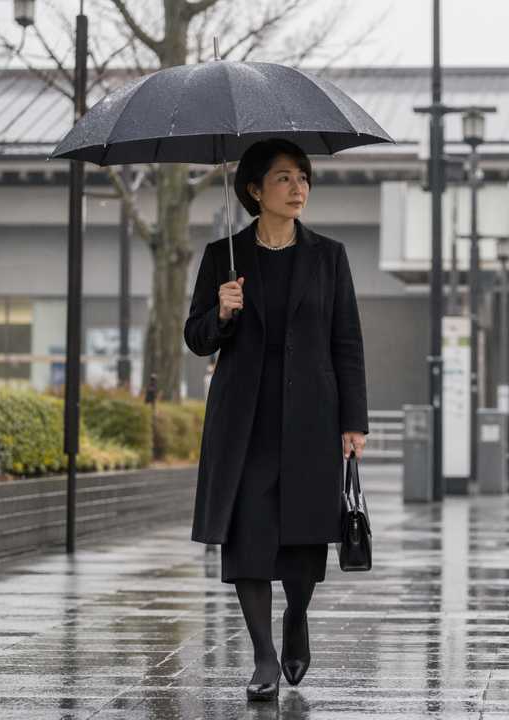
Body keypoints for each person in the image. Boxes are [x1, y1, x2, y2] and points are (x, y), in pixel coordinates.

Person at [184, 139, 368, 703]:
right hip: (246, 421)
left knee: (307, 540)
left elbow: (347, 341)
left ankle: (297, 616)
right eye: (284, 178)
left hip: (313, 417)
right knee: (250, 537)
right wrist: (223, 312)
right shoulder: (225, 257)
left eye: (303, 178)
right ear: (254, 190)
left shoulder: (328, 256)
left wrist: (353, 421)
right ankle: (263, 653)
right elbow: (196, 338)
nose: (298, 188)